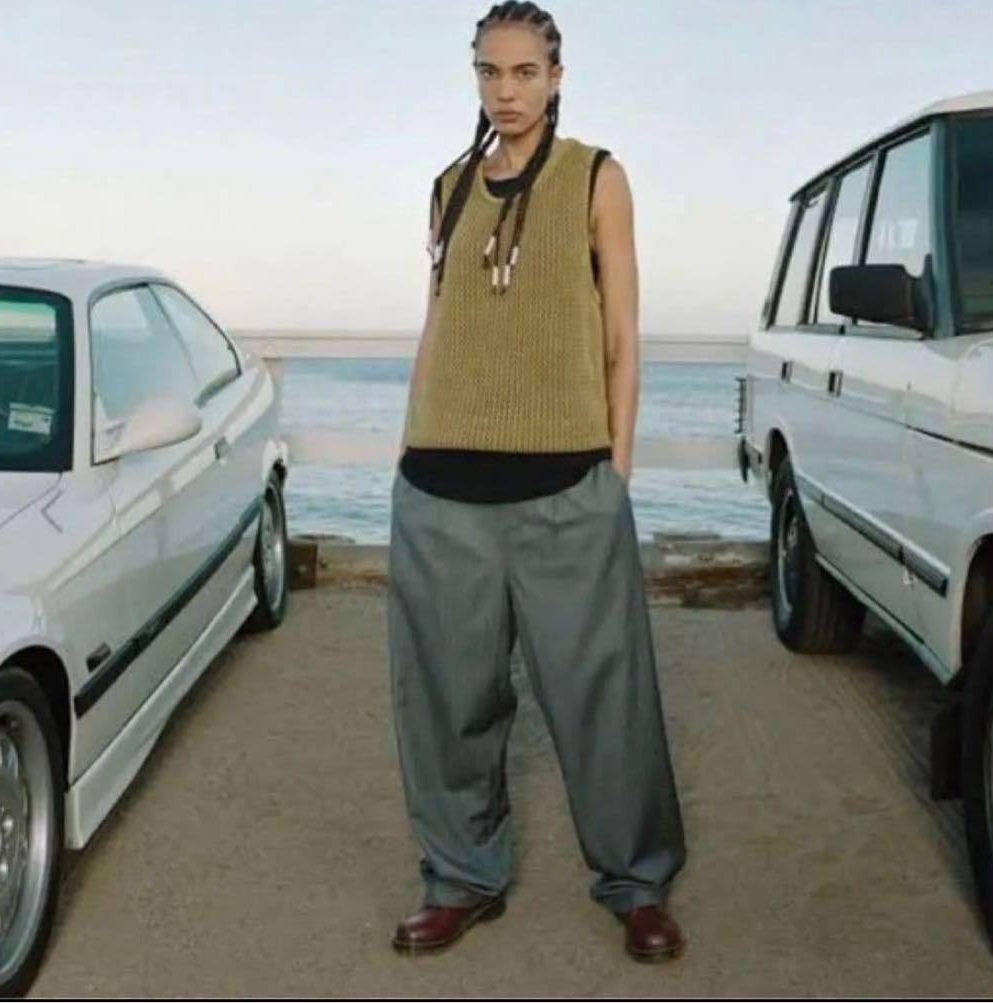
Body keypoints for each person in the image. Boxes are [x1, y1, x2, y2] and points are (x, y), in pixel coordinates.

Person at [387, 0, 687, 962]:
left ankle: (637, 883)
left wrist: (616, 473)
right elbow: (439, 323)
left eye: (524, 72)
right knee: (447, 704)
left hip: (567, 486)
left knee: (604, 699)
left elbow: (621, 333)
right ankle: (460, 878)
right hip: (440, 488)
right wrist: (407, 448)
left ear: (556, 77)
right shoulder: (447, 188)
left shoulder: (596, 177)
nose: (505, 91)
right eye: (489, 71)